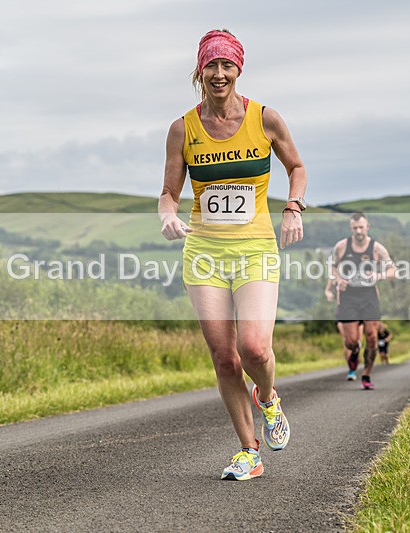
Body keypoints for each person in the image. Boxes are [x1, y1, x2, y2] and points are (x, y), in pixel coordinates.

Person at [158, 29, 307, 481]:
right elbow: (168, 192)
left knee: (255, 348)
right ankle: (249, 451)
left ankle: (268, 397)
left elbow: (296, 168)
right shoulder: (183, 128)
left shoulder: (265, 119)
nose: (219, 74)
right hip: (203, 251)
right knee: (225, 358)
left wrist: (292, 207)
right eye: (211, 66)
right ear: (199, 71)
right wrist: (167, 215)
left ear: (238, 69)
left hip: (255, 249)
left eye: (227, 66)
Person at [328, 213, 396, 390]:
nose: (358, 231)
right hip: (348, 296)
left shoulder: (377, 248)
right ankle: (355, 353)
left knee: (372, 337)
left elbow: (392, 270)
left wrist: (378, 275)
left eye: (361, 227)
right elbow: (332, 267)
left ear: (368, 227)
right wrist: (338, 279)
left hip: (369, 296)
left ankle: (366, 374)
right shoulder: (342, 247)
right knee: (351, 341)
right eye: (355, 228)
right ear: (351, 229)